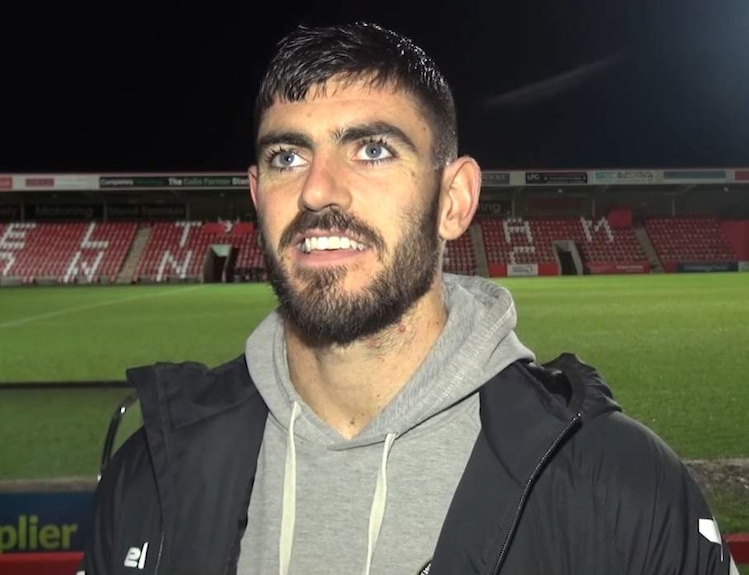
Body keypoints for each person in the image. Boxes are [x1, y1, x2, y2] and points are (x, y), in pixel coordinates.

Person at [80, 22, 739, 575]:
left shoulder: (620, 487)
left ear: (454, 200)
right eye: (287, 156)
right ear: (256, 194)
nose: (317, 191)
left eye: (371, 149)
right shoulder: (152, 481)